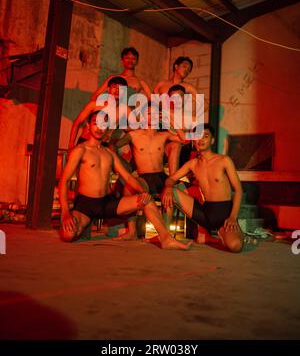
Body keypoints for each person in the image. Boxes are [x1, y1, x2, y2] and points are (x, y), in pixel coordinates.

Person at [59, 111, 190, 250]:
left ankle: (166, 239)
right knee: (68, 235)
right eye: (95, 123)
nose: (99, 128)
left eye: (103, 124)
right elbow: (64, 180)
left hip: (106, 203)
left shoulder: (108, 153)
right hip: (85, 205)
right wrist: (65, 211)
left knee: (146, 199)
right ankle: (84, 226)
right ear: (88, 126)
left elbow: (127, 176)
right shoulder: (81, 150)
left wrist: (143, 191)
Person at [162, 124, 244, 252]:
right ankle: (165, 236)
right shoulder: (192, 164)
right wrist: (168, 187)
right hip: (205, 213)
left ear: (212, 140)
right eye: (198, 136)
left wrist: (233, 217)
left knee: (235, 246)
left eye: (205, 136)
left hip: (225, 215)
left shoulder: (224, 160)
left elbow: (238, 190)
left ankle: (224, 232)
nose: (201, 139)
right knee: (170, 192)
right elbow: (170, 179)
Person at [114, 103, 186, 231]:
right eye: (148, 114)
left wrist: (169, 117)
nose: (151, 116)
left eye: (154, 114)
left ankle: (165, 231)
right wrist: (123, 166)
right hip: (144, 178)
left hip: (160, 175)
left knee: (169, 195)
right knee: (128, 190)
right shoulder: (134, 135)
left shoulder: (163, 135)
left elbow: (184, 139)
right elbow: (113, 147)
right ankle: (132, 231)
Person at [68, 76, 131, 150]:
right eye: (114, 87)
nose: (117, 90)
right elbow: (77, 122)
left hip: (103, 145)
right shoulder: (94, 104)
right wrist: (71, 145)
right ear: (108, 89)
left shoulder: (124, 109)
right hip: (85, 142)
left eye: (121, 89)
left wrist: (117, 141)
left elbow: (138, 126)